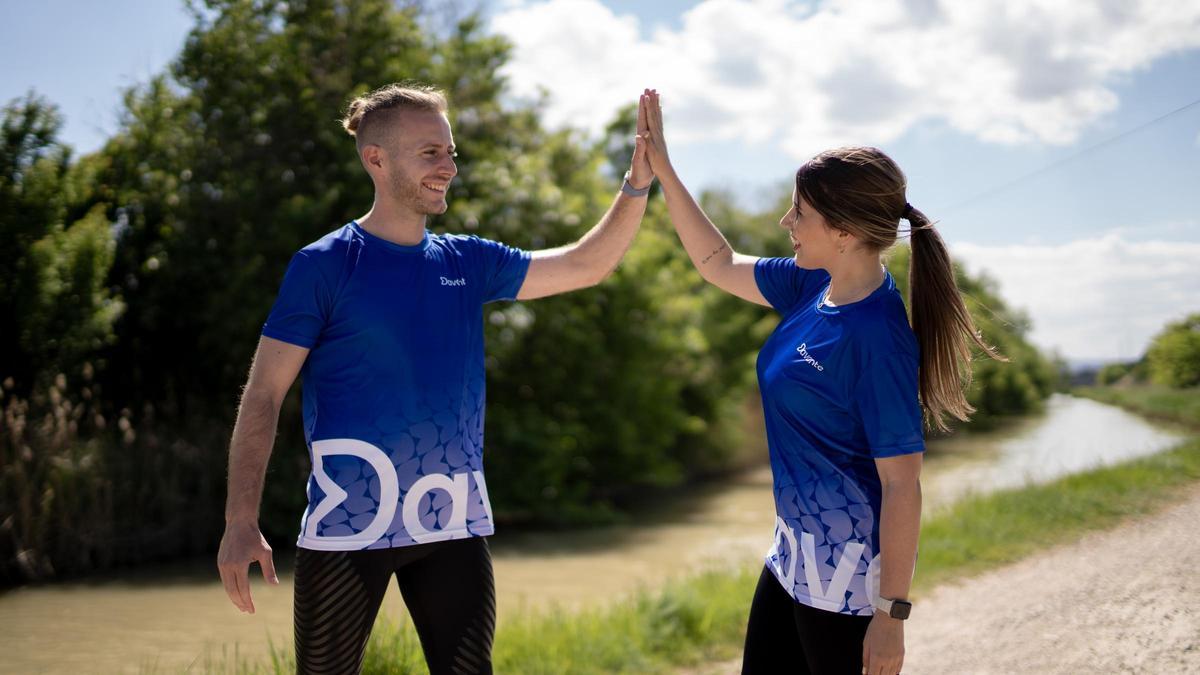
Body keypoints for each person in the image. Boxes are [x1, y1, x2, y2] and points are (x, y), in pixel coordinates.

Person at [216, 83, 653, 674]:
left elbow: (586, 263)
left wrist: (636, 183)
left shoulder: (466, 261)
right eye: (430, 153)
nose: (449, 166)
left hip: (452, 524)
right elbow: (264, 395)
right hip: (349, 531)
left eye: (450, 151)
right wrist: (241, 521)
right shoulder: (323, 265)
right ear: (377, 159)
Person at [638, 89, 1002, 675]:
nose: (786, 223)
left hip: (849, 584)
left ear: (845, 232)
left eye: (799, 213)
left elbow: (903, 485)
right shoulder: (816, 285)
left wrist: (890, 617)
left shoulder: (878, 337)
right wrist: (665, 172)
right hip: (791, 558)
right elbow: (717, 265)